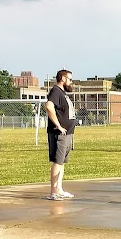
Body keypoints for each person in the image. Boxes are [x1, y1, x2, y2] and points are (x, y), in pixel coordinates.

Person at [45, 69, 76, 201]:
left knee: (62, 162)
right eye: (69, 79)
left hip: (67, 133)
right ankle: (53, 191)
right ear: (63, 78)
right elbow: (49, 106)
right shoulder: (56, 91)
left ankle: (60, 189)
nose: (71, 82)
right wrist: (58, 125)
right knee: (58, 162)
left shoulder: (62, 93)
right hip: (59, 133)